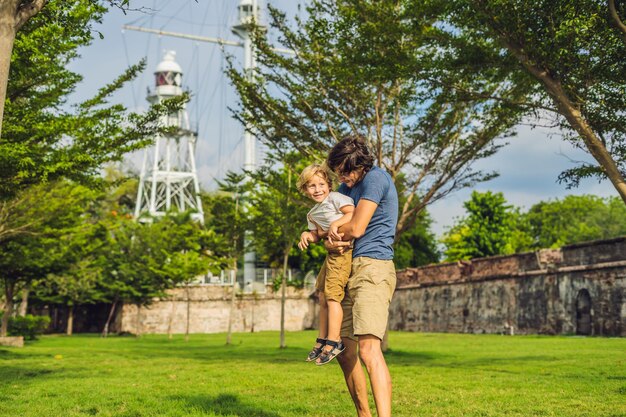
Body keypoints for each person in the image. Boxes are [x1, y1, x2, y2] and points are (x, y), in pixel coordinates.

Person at [325, 134, 398, 417]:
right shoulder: (346, 188)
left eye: (346, 171)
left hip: (373, 267)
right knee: (344, 350)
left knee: (368, 350)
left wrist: (334, 234)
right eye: (339, 173)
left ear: (360, 164)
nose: (343, 178)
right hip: (347, 267)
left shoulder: (375, 179)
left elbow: (355, 228)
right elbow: (332, 230)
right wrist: (330, 240)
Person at [297, 164, 355, 365]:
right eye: (311, 186)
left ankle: (334, 340)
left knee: (332, 297)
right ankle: (322, 338)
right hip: (330, 256)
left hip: (343, 253)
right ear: (305, 190)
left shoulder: (336, 199)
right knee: (321, 295)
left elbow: (352, 214)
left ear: (329, 185)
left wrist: (334, 224)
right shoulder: (312, 213)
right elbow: (316, 234)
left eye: (321, 184)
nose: (317, 189)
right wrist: (307, 235)